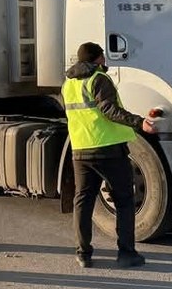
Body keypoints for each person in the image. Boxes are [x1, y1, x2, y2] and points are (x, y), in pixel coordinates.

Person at [62, 42, 156, 269]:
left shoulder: (68, 84)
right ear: (97, 58)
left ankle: (83, 253)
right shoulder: (98, 79)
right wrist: (140, 122)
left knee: (83, 201)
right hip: (108, 149)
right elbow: (109, 110)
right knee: (124, 200)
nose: (105, 60)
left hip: (80, 150)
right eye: (102, 56)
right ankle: (127, 254)